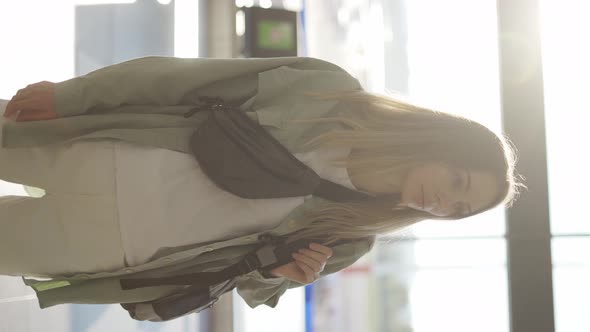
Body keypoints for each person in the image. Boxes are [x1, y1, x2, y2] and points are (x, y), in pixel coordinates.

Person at [0, 56, 521, 314]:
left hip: (118, 247)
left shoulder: (351, 237)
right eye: (457, 181)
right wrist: (75, 96)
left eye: (458, 208)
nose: (444, 202)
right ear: (442, 142)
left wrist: (282, 275)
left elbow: (247, 283)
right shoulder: (326, 91)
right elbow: (180, 80)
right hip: (104, 150)